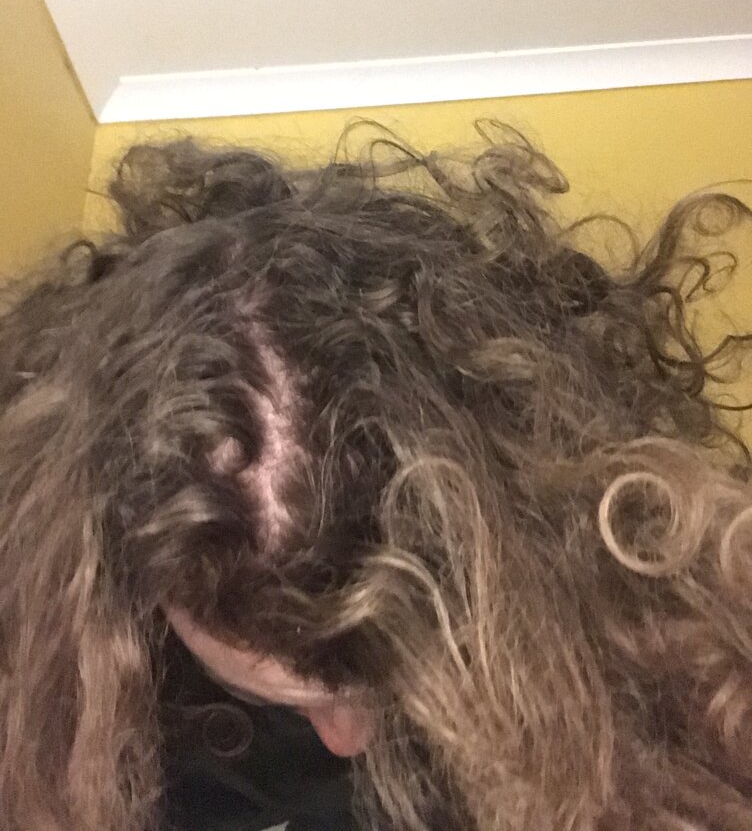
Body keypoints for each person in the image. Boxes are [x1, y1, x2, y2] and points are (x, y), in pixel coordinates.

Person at [1, 120, 751, 831]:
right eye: (291, 697)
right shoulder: (67, 647)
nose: (348, 740)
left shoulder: (644, 625)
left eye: (369, 692)